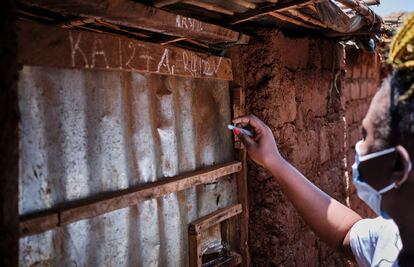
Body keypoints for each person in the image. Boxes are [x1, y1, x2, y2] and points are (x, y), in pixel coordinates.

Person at [232, 14, 414, 267]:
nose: (359, 149)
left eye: (366, 138)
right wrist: (274, 161)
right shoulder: (395, 238)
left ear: (398, 167)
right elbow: (345, 234)